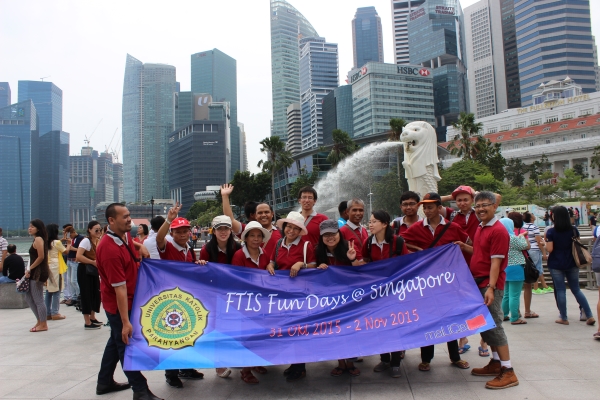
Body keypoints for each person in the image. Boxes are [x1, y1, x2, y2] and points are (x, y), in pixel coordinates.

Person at [95, 203, 162, 400]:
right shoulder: (108, 250)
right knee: (125, 344)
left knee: (115, 342)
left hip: (129, 299)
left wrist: (139, 245)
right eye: (124, 217)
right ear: (111, 221)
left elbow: (127, 243)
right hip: (118, 305)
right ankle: (140, 390)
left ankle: (104, 382)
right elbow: (120, 289)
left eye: (129, 215)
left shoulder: (121, 235)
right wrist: (126, 322)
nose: (128, 220)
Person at [455, 191, 518, 390]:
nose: (481, 209)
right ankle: (496, 362)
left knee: (494, 325)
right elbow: (482, 253)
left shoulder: (498, 230)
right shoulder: (482, 228)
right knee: (486, 325)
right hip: (479, 282)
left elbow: (496, 262)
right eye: (478, 206)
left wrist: (491, 288)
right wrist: (464, 246)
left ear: (495, 206)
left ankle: (508, 371)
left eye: (485, 205)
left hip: (489, 284)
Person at [401, 193, 470, 372]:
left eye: (430, 207)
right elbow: (402, 244)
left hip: (448, 283)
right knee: (428, 319)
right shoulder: (416, 228)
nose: (426, 210)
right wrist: (420, 250)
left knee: (451, 319)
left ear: (439, 208)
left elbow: (469, 244)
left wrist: (461, 248)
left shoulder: (452, 227)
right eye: (424, 207)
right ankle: (426, 359)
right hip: (426, 283)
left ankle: (455, 357)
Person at [155, 204, 205, 388]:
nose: (183, 235)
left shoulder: (189, 249)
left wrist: (198, 263)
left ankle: (186, 368)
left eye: (185, 231)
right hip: (170, 300)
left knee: (189, 334)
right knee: (172, 336)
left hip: (187, 298)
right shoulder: (167, 246)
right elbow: (159, 238)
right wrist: (169, 219)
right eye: (178, 232)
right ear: (173, 233)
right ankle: (171, 373)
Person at [266, 211, 318, 382]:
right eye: (289, 226)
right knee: (288, 331)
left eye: (296, 228)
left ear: (300, 230)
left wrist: (301, 264)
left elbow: (314, 265)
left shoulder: (306, 245)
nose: (291, 230)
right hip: (282, 295)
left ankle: (300, 367)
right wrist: (270, 265)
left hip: (300, 295)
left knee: (299, 330)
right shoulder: (279, 243)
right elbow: (274, 261)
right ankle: (293, 363)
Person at [362, 210, 409, 378]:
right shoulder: (368, 243)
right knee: (380, 326)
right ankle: (384, 359)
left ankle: (396, 362)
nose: (370, 224)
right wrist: (354, 259)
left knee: (395, 326)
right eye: (370, 221)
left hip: (395, 292)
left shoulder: (398, 242)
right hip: (377, 294)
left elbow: (407, 265)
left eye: (374, 221)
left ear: (384, 224)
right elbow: (364, 265)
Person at [315, 219, 362, 377]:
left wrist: (353, 259)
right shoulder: (319, 251)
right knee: (335, 331)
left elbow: (361, 271)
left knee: (349, 330)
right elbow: (315, 274)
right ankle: (341, 363)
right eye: (326, 235)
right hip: (330, 300)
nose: (330, 237)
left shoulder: (349, 247)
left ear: (339, 234)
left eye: (333, 234)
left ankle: (350, 362)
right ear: (321, 237)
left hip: (350, 299)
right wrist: (318, 267)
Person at [199, 215, 241, 378]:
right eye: (219, 229)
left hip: (232, 296)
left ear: (231, 230)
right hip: (214, 297)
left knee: (233, 328)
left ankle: (233, 358)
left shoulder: (236, 248)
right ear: (213, 231)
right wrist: (201, 265)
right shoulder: (206, 250)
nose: (223, 232)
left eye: (226, 229)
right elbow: (202, 276)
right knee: (217, 331)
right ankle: (219, 366)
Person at [231, 222, 274, 383]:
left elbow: (268, 268)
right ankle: (245, 370)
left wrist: (270, 264)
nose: (256, 239)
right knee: (247, 336)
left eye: (259, 236)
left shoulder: (264, 255)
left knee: (260, 334)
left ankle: (255, 362)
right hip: (245, 303)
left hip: (261, 303)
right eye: (252, 236)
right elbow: (237, 279)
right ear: (246, 238)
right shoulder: (239, 256)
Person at [545, 206, 595, 326]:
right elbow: (577, 244)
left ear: (554, 216)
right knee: (576, 289)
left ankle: (564, 317)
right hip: (572, 262)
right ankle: (589, 315)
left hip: (556, 263)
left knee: (561, 290)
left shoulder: (551, 231)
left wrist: (545, 242)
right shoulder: (573, 230)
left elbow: (550, 249)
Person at [220, 184, 281, 257]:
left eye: (266, 212)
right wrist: (225, 196)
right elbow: (230, 220)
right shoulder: (247, 230)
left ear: (272, 214)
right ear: (255, 215)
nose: (264, 215)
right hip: (251, 267)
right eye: (260, 213)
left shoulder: (283, 233)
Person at [498, 218, 529, 325]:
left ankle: (504, 314)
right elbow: (525, 246)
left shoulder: (500, 238)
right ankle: (515, 318)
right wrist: (522, 237)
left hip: (505, 268)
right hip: (516, 268)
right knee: (514, 295)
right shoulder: (512, 238)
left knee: (506, 294)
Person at [508, 212, 537, 319]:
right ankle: (527, 311)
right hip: (521, 263)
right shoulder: (522, 231)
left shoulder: (506, 232)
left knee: (508, 293)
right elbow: (527, 246)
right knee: (526, 287)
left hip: (507, 264)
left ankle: (512, 312)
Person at [76, 221, 103, 330]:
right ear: (89, 230)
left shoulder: (97, 241)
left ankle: (92, 317)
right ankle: (87, 321)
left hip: (93, 271)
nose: (98, 232)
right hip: (85, 270)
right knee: (86, 294)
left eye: (99, 230)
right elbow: (78, 256)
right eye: (96, 230)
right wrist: (92, 262)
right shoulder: (86, 241)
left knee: (95, 293)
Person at [25, 219, 50, 333]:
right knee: (29, 297)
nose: (30, 228)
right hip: (35, 272)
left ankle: (43, 323)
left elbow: (41, 257)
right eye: (29, 226)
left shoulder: (39, 239)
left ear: (38, 229)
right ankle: (39, 320)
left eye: (32, 227)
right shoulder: (36, 239)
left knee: (38, 299)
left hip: (38, 272)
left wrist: (30, 268)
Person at [522, 212, 552, 296]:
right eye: (532, 214)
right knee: (536, 268)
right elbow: (538, 241)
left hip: (527, 249)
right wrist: (544, 252)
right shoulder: (534, 227)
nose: (534, 215)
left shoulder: (523, 227)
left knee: (538, 268)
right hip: (535, 249)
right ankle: (535, 288)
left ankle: (544, 286)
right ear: (531, 218)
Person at [45, 224, 67, 320]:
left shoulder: (45, 242)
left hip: (47, 267)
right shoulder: (57, 242)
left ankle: (47, 313)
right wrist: (69, 244)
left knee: (48, 290)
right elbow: (65, 251)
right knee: (57, 291)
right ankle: (55, 312)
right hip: (55, 267)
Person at [64, 226, 85, 308]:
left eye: (70, 235)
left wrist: (73, 248)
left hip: (75, 260)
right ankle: (74, 298)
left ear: (73, 232)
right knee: (69, 281)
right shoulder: (70, 240)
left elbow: (82, 250)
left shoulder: (81, 238)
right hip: (69, 260)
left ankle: (80, 296)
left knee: (74, 280)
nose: (70, 237)